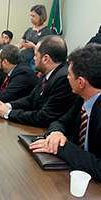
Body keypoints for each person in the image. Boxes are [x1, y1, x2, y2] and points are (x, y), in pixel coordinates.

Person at [30, 44, 101, 181]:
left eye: (69, 74)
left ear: (81, 82)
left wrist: (61, 147)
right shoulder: (84, 97)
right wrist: (56, 133)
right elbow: (61, 121)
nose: (67, 77)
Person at [0, 35, 76, 128]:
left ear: (46, 59)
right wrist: (8, 106)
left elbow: (44, 117)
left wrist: (8, 113)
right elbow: (31, 99)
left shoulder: (63, 79)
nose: (34, 59)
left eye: (35, 55)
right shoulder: (48, 73)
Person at [19, 5, 53, 69]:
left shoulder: (47, 32)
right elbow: (21, 43)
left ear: (41, 17)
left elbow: (46, 53)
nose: (31, 18)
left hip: (34, 63)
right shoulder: (29, 30)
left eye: (33, 16)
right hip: (22, 59)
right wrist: (22, 44)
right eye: (30, 16)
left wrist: (33, 46)